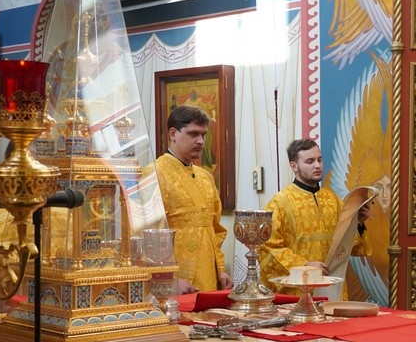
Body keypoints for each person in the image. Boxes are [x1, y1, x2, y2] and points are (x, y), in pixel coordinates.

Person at [258, 138, 371, 296]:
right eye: (309, 161)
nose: (317, 165)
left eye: (319, 160)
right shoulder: (279, 203)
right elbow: (267, 248)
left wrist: (358, 224)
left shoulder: (333, 201)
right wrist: (304, 266)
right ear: (294, 166)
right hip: (297, 291)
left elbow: (346, 247)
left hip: (332, 288)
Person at [155, 105, 233, 294]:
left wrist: (220, 269)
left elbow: (215, 229)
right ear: (173, 134)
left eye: (203, 135)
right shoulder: (155, 174)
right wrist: (169, 279)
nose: (200, 141)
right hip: (178, 283)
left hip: (210, 279)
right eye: (193, 134)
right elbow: (147, 236)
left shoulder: (206, 177)